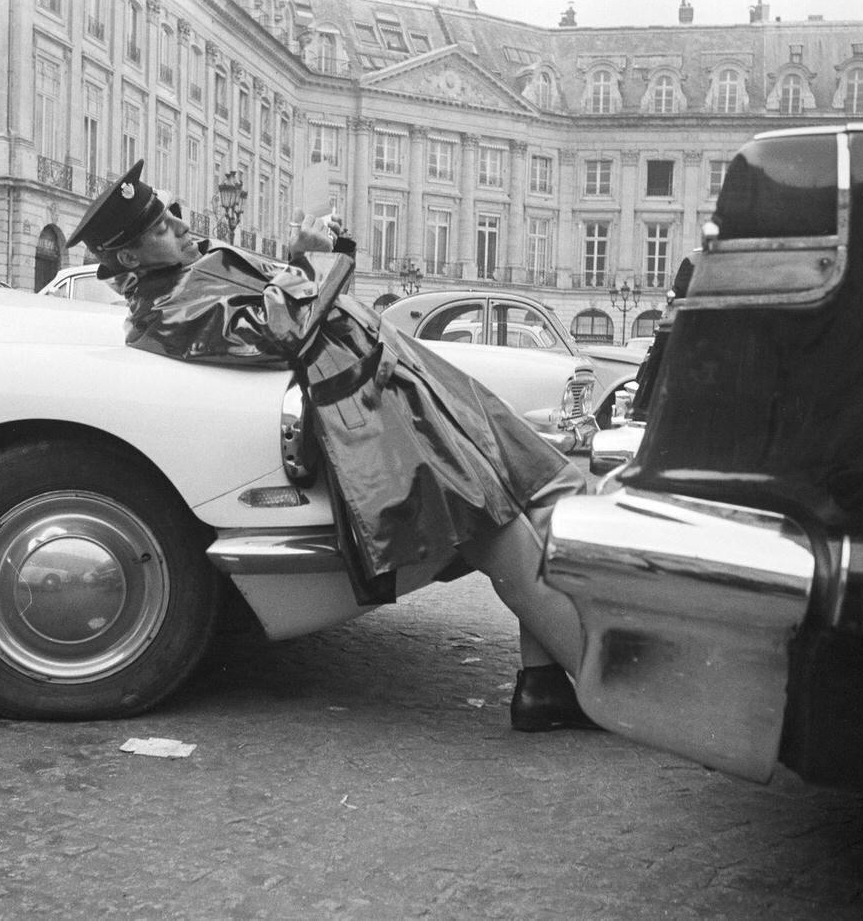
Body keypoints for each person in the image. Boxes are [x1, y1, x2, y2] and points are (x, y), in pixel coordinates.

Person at [68, 160, 599, 732]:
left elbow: (304, 301)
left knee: (545, 491)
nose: (175, 222)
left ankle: (544, 683)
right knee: (495, 523)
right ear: (128, 259)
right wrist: (303, 258)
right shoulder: (166, 310)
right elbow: (286, 333)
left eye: (168, 210)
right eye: (157, 225)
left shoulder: (192, 267)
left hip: (399, 381)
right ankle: (603, 690)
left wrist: (318, 251)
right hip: (373, 410)